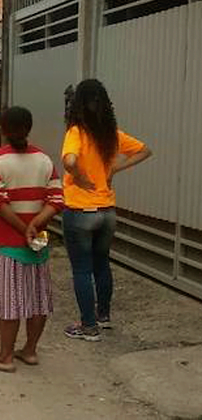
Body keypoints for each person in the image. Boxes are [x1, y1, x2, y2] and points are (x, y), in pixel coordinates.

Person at [61, 79, 152, 342]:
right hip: (107, 211)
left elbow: (70, 160)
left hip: (80, 210)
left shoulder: (76, 132)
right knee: (102, 264)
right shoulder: (111, 134)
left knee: (81, 269)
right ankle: (104, 316)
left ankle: (88, 327)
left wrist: (78, 176)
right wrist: (113, 169)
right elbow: (145, 150)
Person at [0, 106, 64, 373]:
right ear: (29, 128)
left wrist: (22, 227)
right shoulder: (44, 160)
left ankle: (5, 358)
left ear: (2, 129)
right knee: (38, 298)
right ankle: (30, 350)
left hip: (7, 242)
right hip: (38, 242)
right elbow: (57, 200)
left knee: (10, 300)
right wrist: (35, 225)